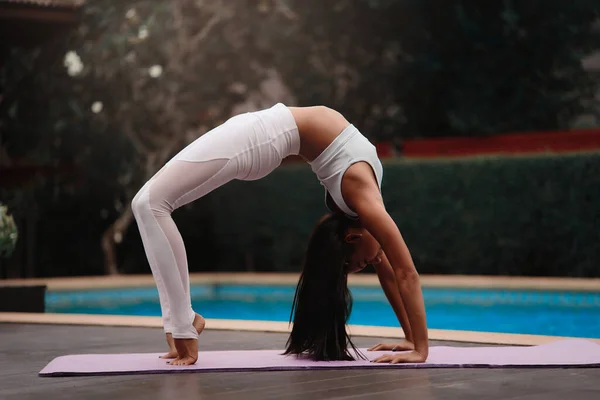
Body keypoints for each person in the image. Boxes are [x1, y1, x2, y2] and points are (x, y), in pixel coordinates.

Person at [131, 103, 429, 366]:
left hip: (262, 137)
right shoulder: (365, 201)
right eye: (362, 264)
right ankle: (182, 324)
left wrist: (412, 341)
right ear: (351, 239)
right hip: (259, 136)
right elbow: (404, 274)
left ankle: (182, 325)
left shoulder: (363, 209)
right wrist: (419, 348)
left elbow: (390, 272)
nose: (377, 259)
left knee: (150, 204)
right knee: (147, 204)